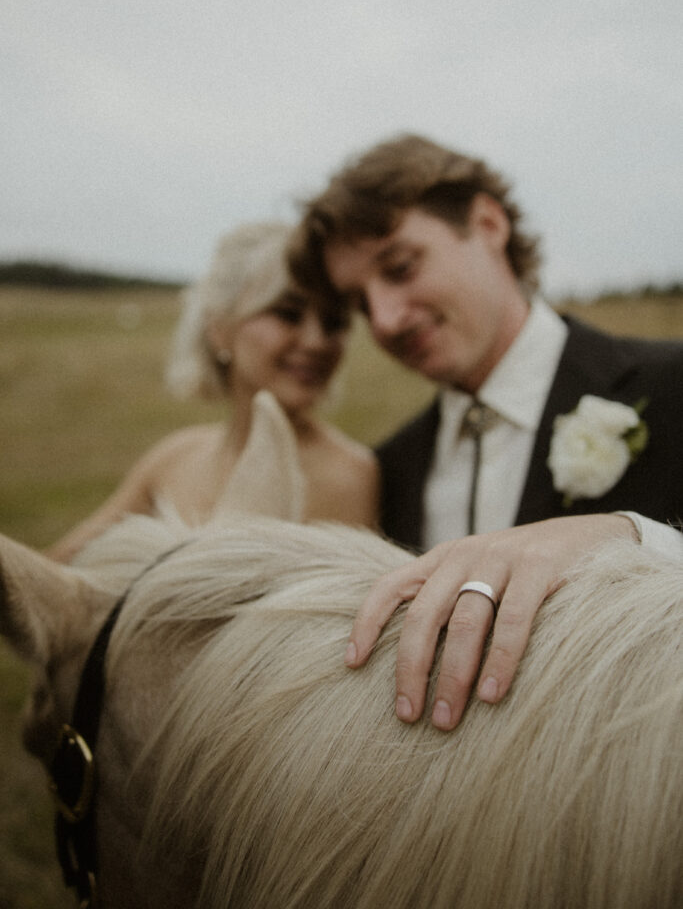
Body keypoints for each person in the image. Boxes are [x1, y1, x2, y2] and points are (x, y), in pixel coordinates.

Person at [289, 132, 683, 728]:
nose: (385, 321)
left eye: (400, 267)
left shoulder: (673, 384)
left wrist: (630, 539)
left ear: (488, 224)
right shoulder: (389, 468)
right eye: (361, 304)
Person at [48, 221, 378, 563]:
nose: (316, 341)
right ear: (219, 328)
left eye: (334, 322)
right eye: (288, 314)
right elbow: (58, 569)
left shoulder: (345, 475)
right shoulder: (174, 458)